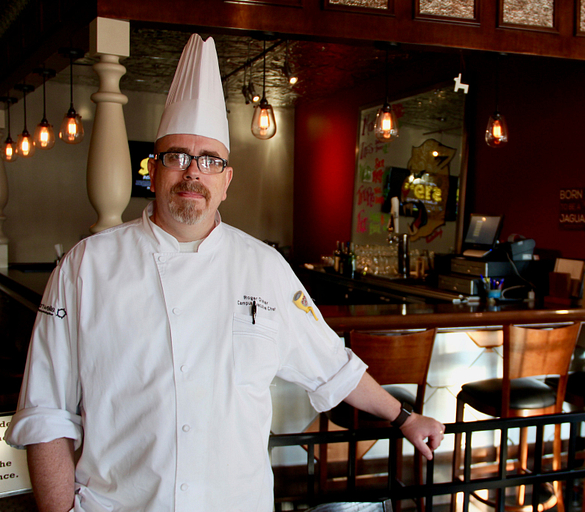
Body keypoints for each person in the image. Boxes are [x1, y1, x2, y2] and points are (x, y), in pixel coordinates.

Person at [6, 34, 445, 512]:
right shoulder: (85, 267)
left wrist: (404, 417)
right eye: (177, 156)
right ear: (154, 171)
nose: (193, 173)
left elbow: (332, 367)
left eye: (209, 160)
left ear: (226, 181)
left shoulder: (265, 268)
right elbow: (46, 414)